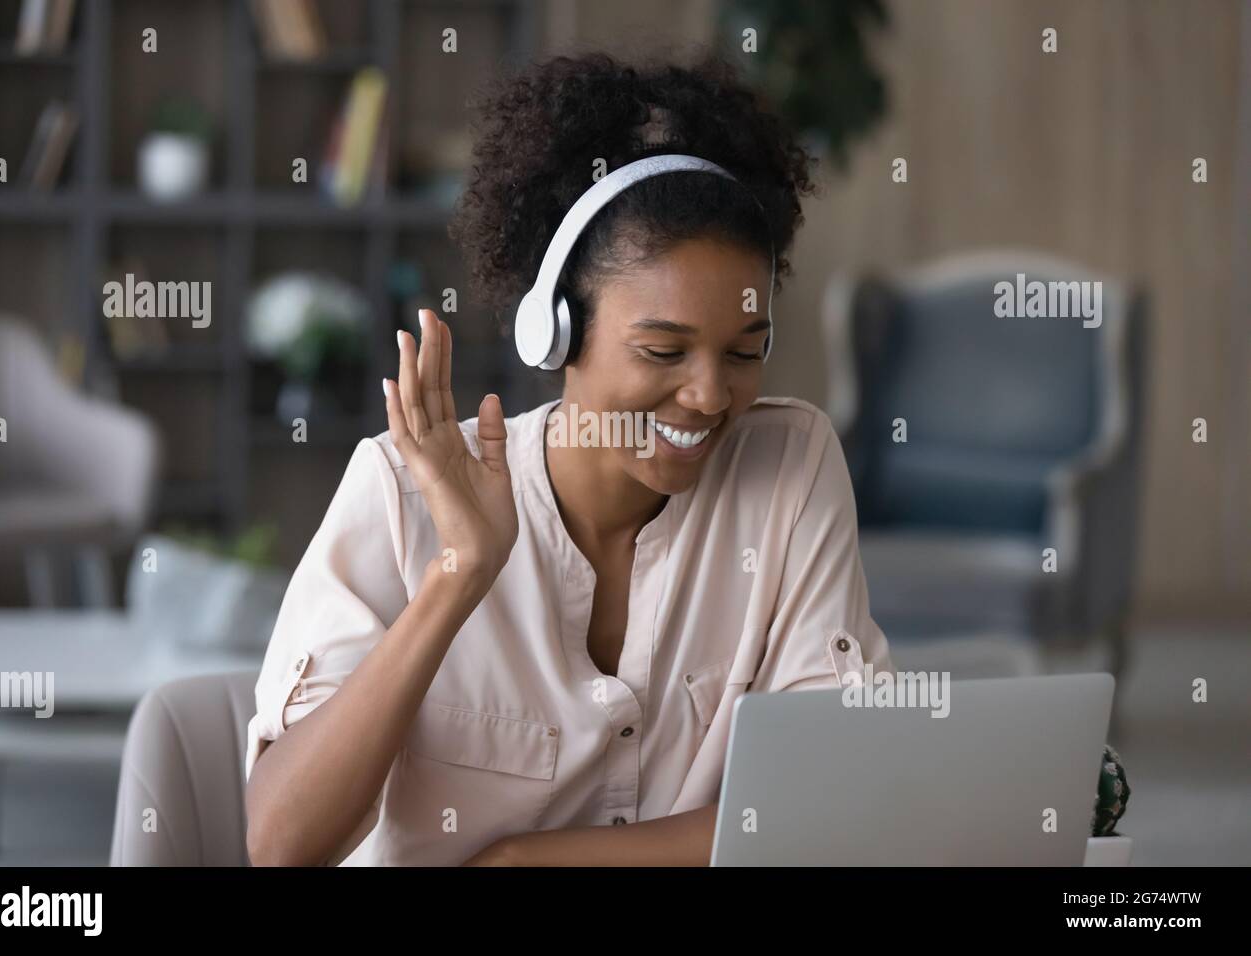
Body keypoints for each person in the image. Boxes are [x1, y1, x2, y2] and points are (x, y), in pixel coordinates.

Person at [244, 50, 894, 867]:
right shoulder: (399, 492)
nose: (709, 395)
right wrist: (459, 575)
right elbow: (281, 847)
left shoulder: (789, 471)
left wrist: (526, 862)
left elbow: (834, 801)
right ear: (553, 332)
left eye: (744, 351)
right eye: (663, 351)